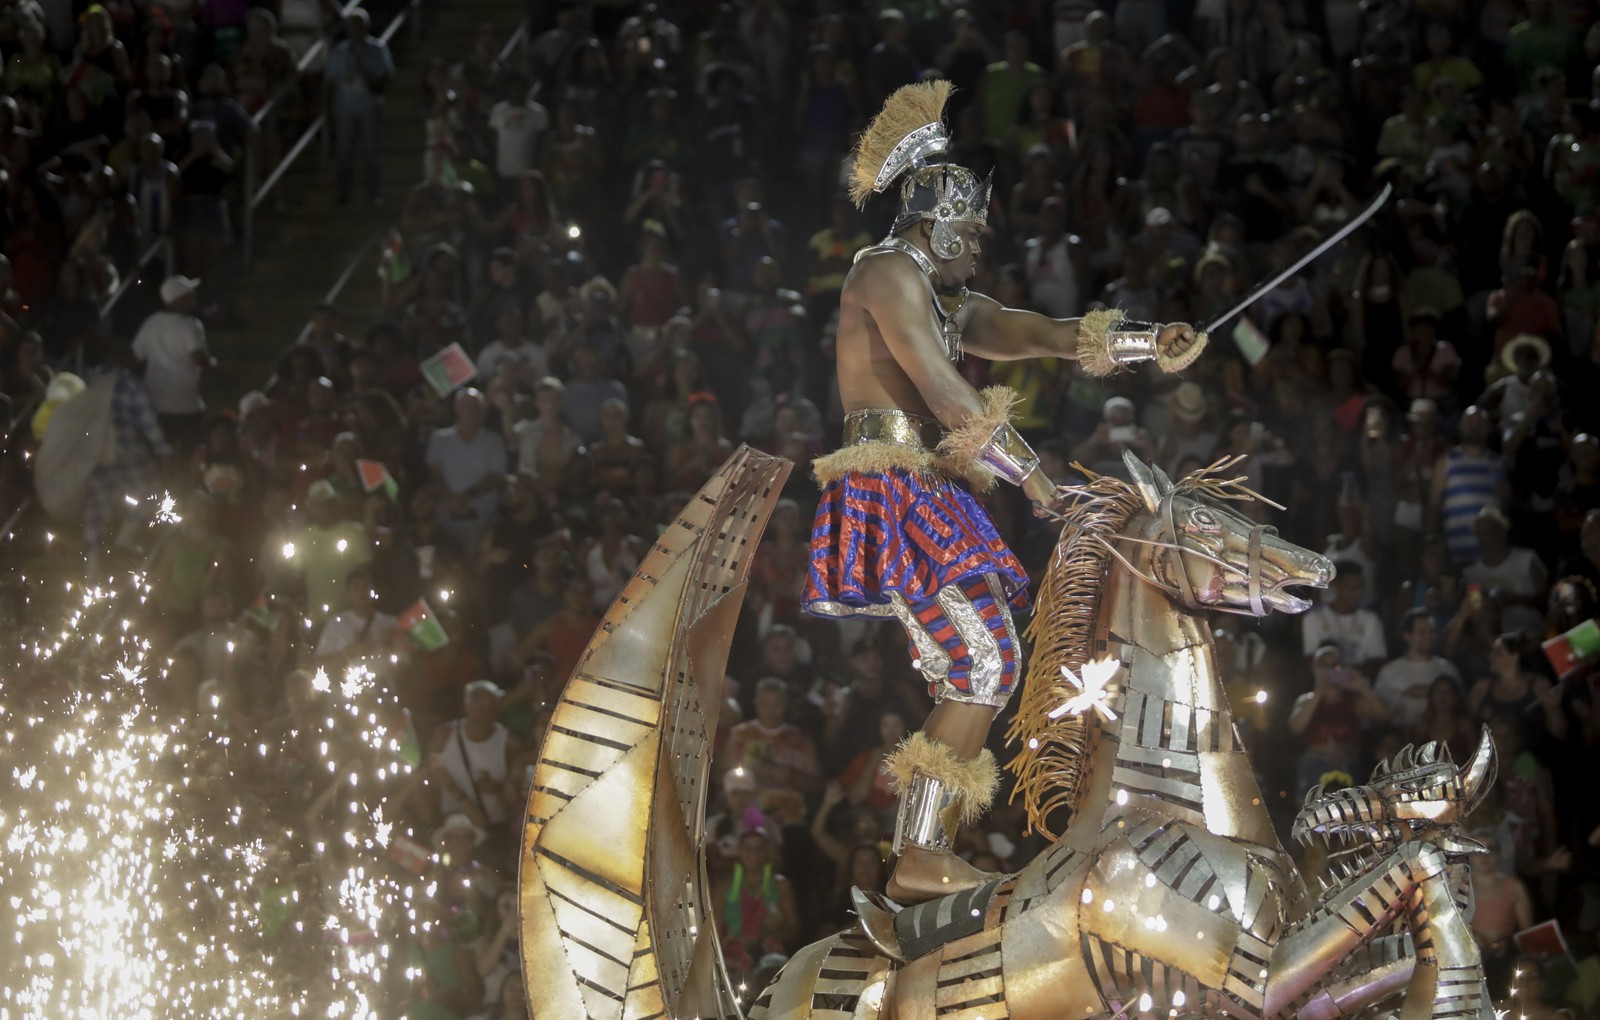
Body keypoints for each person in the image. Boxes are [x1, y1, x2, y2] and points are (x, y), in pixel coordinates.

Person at [801, 82, 1203, 904]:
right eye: (972, 226)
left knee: (983, 662)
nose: (981, 240)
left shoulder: (954, 301)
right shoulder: (883, 272)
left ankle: (924, 850)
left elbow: (1051, 335)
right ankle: (915, 855)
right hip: (891, 484)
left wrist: (1147, 343)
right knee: (981, 661)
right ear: (934, 218)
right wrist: (1037, 478)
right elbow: (945, 395)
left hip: (928, 489)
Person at [132, 275, 212, 459]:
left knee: (161, 457)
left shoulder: (151, 323)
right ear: (180, 299)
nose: (193, 297)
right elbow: (198, 358)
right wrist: (211, 365)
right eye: (189, 294)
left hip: (156, 403)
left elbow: (135, 356)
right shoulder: (190, 325)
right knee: (187, 456)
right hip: (186, 403)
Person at [324, 9, 393, 206]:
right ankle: (344, 193)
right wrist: (328, 110)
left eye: (359, 24)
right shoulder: (339, 51)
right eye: (352, 25)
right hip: (344, 108)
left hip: (369, 107)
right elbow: (330, 82)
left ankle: (374, 193)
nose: (355, 29)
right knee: (344, 152)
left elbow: (387, 75)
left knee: (372, 151)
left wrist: (372, 77)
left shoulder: (377, 48)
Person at [1374, 608, 1461, 727]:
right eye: (1422, 632)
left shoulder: (1448, 669)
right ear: (1407, 636)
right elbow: (1378, 713)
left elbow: (1460, 709)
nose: (1429, 637)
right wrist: (1404, 696)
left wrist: (1432, 692)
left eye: (1432, 632)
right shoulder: (1388, 672)